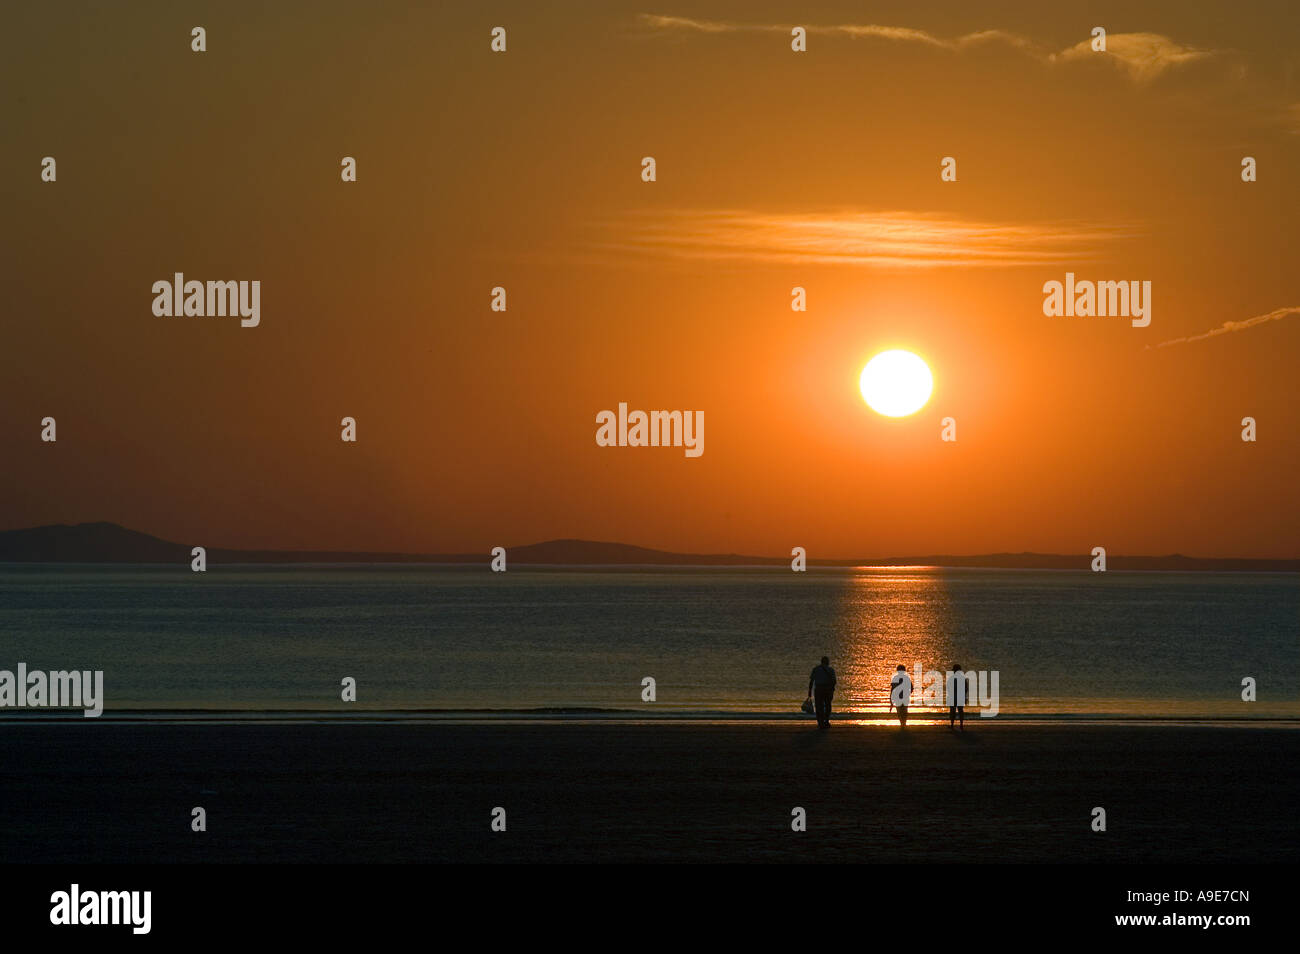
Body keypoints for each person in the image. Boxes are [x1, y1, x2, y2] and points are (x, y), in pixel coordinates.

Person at [807, 656, 837, 729]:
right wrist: (832, 689)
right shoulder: (831, 670)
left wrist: (809, 691)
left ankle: (820, 722)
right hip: (827, 689)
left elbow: (811, 681)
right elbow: (834, 681)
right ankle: (826, 721)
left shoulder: (816, 669)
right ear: (827, 662)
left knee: (819, 706)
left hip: (818, 689)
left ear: (821, 662)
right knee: (828, 705)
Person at [948, 663, 966, 731]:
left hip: (953, 697)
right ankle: (961, 725)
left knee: (953, 711)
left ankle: (952, 725)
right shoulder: (962, 678)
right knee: (960, 711)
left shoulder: (951, 678)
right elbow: (965, 688)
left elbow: (949, 688)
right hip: (960, 697)